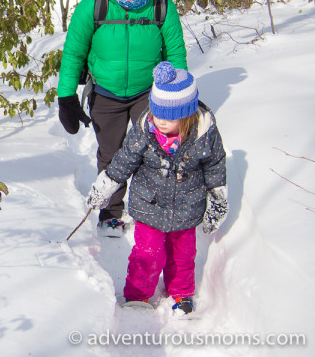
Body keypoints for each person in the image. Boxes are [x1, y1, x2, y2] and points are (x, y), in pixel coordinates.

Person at [57, 0, 187, 237]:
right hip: (106, 93)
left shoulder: (162, 5)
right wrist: (66, 96)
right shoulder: (93, 5)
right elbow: (74, 53)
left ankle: (148, 210)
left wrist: (177, 96)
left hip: (148, 93)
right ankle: (112, 212)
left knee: (155, 152)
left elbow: (177, 54)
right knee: (112, 153)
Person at [85, 61, 229, 315]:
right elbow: (125, 159)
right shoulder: (144, 129)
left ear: (186, 116)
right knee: (147, 254)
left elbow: (215, 165)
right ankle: (138, 296)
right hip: (148, 205)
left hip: (187, 207)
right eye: (156, 113)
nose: (159, 121)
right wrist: (107, 183)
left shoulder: (205, 133)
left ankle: (181, 293)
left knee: (183, 256)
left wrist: (217, 197)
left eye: (167, 117)